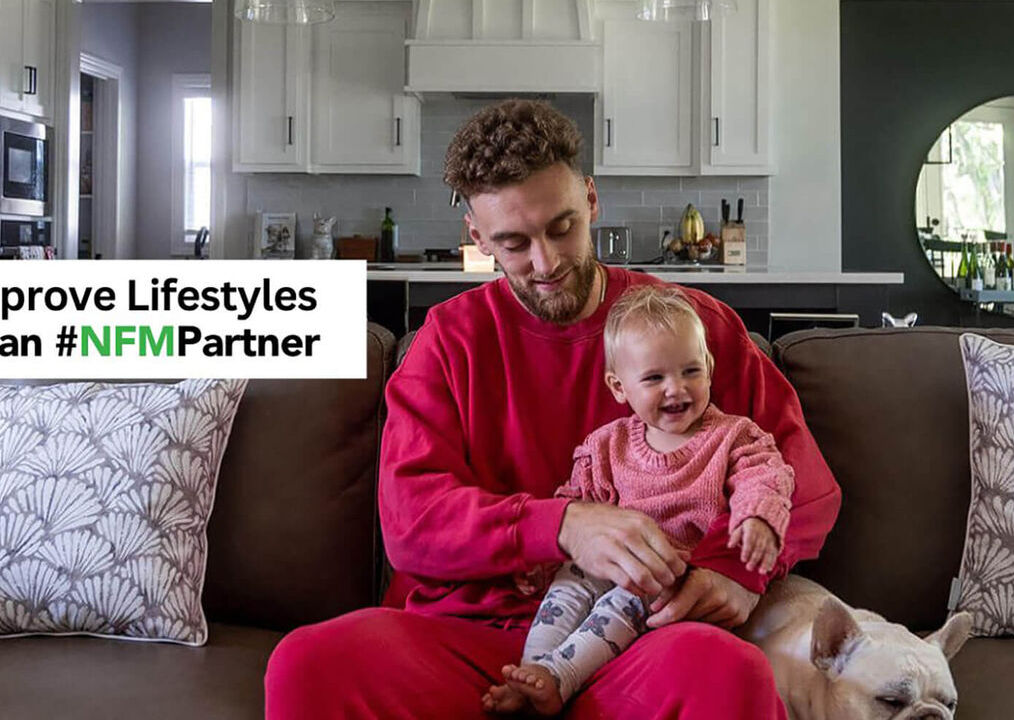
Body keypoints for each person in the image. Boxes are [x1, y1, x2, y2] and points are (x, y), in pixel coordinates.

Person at [264, 99, 842, 720]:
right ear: (476, 237)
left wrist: (735, 570)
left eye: (562, 227)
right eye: (513, 243)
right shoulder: (446, 343)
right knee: (307, 664)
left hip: (639, 640)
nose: (547, 263)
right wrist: (562, 525)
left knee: (726, 671)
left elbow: (805, 487)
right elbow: (410, 523)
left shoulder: (692, 328)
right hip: (474, 641)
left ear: (591, 199)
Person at [483, 285, 796, 716]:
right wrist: (544, 559)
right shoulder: (606, 445)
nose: (676, 389)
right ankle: (531, 671)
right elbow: (576, 502)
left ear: (709, 366)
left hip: (661, 573)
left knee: (619, 603)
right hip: (601, 563)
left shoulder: (733, 436)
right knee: (565, 591)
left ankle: (560, 679)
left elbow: (766, 475)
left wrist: (757, 518)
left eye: (690, 371)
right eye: (654, 378)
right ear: (619, 386)